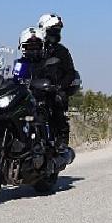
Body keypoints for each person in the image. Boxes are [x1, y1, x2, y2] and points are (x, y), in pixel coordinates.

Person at [37, 14, 77, 157]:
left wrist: (60, 87)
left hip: (53, 91)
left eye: (58, 30)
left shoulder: (62, 51)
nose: (56, 33)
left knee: (58, 100)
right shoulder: (34, 48)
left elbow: (70, 73)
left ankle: (61, 141)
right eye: (53, 30)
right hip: (34, 90)